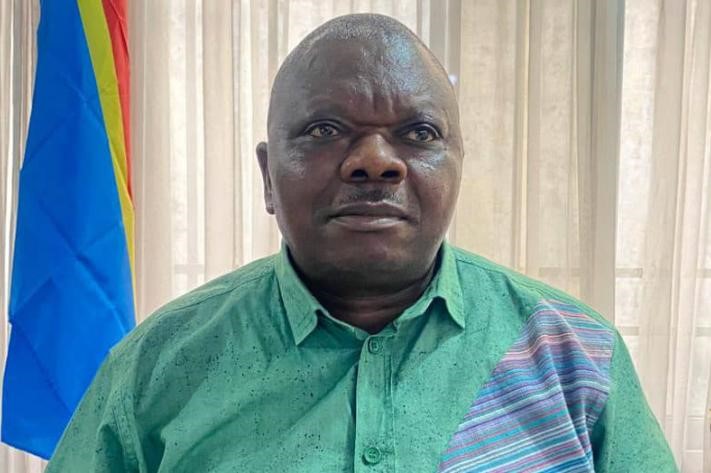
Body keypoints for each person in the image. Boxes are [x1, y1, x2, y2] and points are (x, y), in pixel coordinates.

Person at [46, 13, 677, 473]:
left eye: (419, 133)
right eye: (325, 129)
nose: (375, 161)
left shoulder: (576, 357)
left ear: (458, 167)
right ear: (268, 177)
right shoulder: (156, 370)